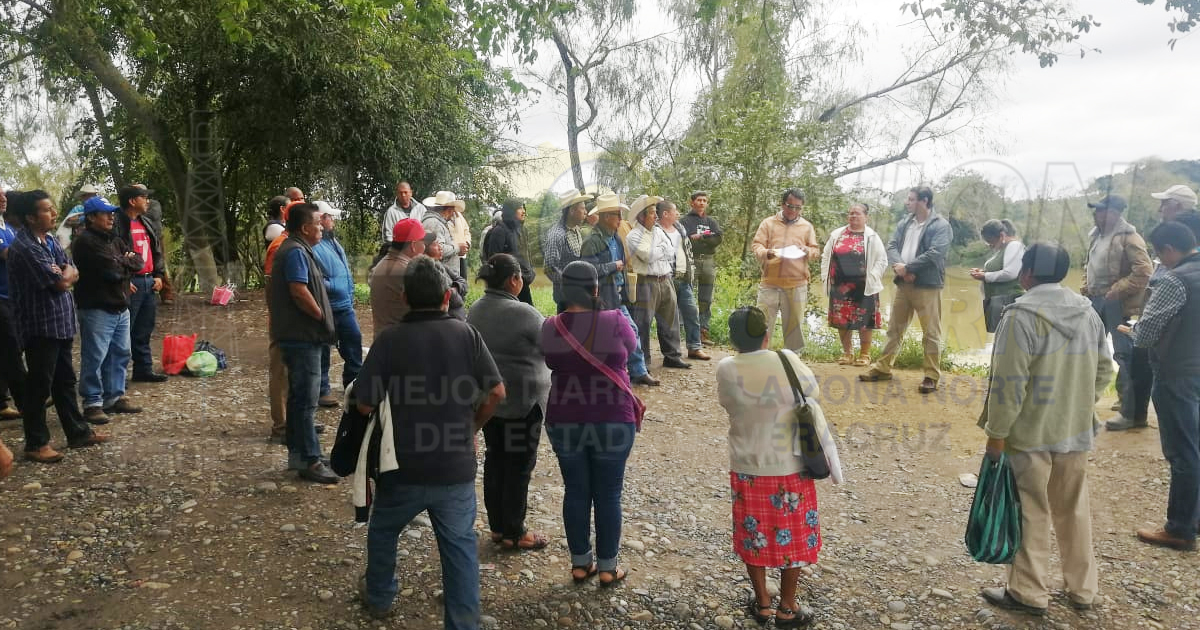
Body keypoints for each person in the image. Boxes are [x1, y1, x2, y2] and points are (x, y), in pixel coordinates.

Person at [354, 256, 505, 626]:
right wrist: (470, 428)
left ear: (404, 297)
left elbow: (364, 403)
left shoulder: (389, 340)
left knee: (384, 530)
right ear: (447, 296)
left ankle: (379, 596)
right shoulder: (466, 334)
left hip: (401, 466)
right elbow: (497, 392)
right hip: (454, 466)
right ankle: (464, 622)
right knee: (459, 547)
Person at [977, 243, 1109, 616]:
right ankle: (1083, 589)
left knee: (1030, 509)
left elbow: (1009, 383)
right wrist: (1080, 403)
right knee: (1074, 509)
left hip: (1029, 433)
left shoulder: (1019, 315)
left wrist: (996, 434)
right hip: (1075, 430)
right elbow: (1104, 370)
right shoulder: (1088, 313)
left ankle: (1029, 592)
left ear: (1026, 274)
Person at [717, 306, 828, 628]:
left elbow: (728, 403)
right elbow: (813, 393)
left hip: (748, 466)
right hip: (790, 464)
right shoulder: (786, 359)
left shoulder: (726, 367)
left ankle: (763, 602)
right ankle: (788, 607)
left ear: (733, 339)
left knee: (754, 534)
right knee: (792, 538)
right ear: (766, 334)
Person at [542, 261, 639, 587]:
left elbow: (550, 360)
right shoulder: (616, 320)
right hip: (613, 418)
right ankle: (609, 567)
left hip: (565, 419)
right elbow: (633, 347)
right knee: (609, 494)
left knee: (576, 491)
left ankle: (581, 564)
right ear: (596, 289)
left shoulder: (551, 326)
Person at [7, 190, 109, 463]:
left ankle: (77, 432)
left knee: (65, 382)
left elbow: (70, 267)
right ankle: (35, 443)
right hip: (40, 327)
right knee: (39, 387)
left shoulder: (48, 240)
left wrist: (65, 273)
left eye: (52, 209)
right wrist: (65, 275)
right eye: (46, 210)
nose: (53, 214)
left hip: (60, 323)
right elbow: (62, 282)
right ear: (30, 217)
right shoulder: (25, 248)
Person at [1121, 222, 1200, 551]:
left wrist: (1132, 332)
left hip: (1176, 374)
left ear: (1168, 249)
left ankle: (1180, 528)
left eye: (1157, 252)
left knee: (1183, 451)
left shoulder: (1175, 280)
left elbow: (1149, 331)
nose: (1158, 259)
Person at [466, 253, 552, 551]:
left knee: (496, 461)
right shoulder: (525, 313)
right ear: (513, 280)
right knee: (518, 467)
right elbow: (551, 347)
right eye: (520, 277)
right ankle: (515, 531)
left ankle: (499, 528)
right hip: (522, 405)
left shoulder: (475, 309)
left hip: (489, 404)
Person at [268, 202, 338, 484]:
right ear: (304, 227)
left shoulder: (297, 248)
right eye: (318, 223)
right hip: (302, 337)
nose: (321, 227)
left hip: (300, 335)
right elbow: (298, 290)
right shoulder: (295, 251)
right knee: (307, 402)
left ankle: (303, 456)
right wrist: (321, 315)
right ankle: (310, 460)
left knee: (299, 400)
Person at [860, 186, 953, 394]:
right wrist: (900, 269)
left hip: (927, 285)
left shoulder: (941, 225)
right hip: (903, 284)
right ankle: (883, 368)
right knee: (894, 328)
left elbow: (936, 253)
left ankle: (931, 376)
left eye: (911, 199)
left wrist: (909, 268)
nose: (907, 203)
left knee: (931, 332)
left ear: (925, 201)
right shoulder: (905, 222)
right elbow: (892, 246)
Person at [1080, 194, 1152, 431]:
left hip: (1118, 303)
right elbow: (1088, 266)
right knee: (1087, 349)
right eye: (1096, 211)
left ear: (1115, 213)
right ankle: (1086, 401)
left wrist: (1117, 290)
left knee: (1125, 355)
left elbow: (1144, 271)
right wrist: (1085, 286)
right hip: (1095, 299)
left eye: (1101, 211)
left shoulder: (1130, 237)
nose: (1096, 214)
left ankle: (1130, 411)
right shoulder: (1096, 236)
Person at [71, 196, 145, 424]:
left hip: (120, 305)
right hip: (97, 308)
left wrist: (123, 262)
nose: (111, 216)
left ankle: (114, 397)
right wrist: (125, 263)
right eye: (105, 213)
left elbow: (139, 262)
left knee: (121, 353)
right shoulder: (85, 242)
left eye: (112, 212)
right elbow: (111, 273)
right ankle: (92, 403)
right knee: (95, 356)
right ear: (92, 217)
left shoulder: (114, 240)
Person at [580, 194, 658, 386]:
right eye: (617, 215)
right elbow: (588, 272)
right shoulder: (592, 242)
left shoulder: (616, 237)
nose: (621, 219)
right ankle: (612, 375)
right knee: (609, 338)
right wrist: (612, 266)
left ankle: (637, 371)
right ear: (606, 217)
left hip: (617, 295)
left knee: (631, 330)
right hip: (601, 298)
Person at [751, 189, 821, 353]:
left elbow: (815, 251)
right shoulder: (768, 223)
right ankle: (760, 357)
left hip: (796, 284)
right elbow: (757, 245)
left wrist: (806, 250)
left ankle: (793, 363)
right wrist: (766, 253)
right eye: (790, 206)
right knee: (762, 324)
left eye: (798, 207)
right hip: (770, 282)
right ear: (783, 204)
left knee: (793, 328)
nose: (794, 211)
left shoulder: (807, 227)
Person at [820, 202, 887, 366]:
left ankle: (865, 354)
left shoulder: (872, 237)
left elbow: (882, 260)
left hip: (864, 287)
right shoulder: (837, 234)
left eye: (857, 213)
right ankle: (847, 353)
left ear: (866, 217)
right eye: (850, 213)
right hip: (840, 286)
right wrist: (825, 277)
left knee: (865, 321)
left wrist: (872, 277)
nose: (853, 216)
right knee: (841, 319)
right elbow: (826, 256)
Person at [113, 185, 168, 383]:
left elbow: (156, 251)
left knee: (144, 329)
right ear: (132, 201)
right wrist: (123, 280)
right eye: (143, 197)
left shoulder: (146, 222)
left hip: (148, 281)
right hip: (131, 282)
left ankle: (143, 370)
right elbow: (113, 254)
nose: (147, 201)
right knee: (124, 331)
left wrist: (159, 275)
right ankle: (117, 378)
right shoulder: (116, 223)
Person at [626, 198, 690, 369]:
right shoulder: (633, 235)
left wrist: (659, 250)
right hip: (646, 282)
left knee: (670, 318)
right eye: (652, 212)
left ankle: (672, 356)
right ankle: (642, 362)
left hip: (665, 278)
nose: (656, 216)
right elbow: (647, 256)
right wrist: (660, 250)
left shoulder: (658, 231)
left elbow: (671, 251)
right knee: (643, 322)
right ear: (642, 216)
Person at [312, 201, 362, 409]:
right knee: (323, 348)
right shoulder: (314, 244)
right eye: (330, 217)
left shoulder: (332, 241)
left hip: (343, 304)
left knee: (353, 341)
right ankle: (322, 390)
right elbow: (312, 276)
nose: (333, 220)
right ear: (322, 219)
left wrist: (347, 291)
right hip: (328, 305)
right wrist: (332, 286)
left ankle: (353, 386)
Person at [658, 200, 710, 361]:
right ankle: (671, 353)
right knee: (668, 318)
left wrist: (690, 272)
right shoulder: (655, 230)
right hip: (666, 279)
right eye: (675, 211)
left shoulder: (680, 228)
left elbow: (686, 251)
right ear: (665, 214)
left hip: (684, 277)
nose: (678, 213)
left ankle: (694, 347)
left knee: (691, 311)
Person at [368, 218, 426, 340]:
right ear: (414, 246)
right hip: (402, 345)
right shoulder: (408, 272)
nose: (425, 247)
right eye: (423, 242)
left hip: (384, 342)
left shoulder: (381, 266)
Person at [679, 190, 723, 345]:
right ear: (692, 202)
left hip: (709, 262)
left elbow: (717, 238)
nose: (702, 203)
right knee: (686, 296)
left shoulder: (711, 222)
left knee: (706, 298)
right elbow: (687, 241)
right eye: (699, 200)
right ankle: (682, 330)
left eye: (704, 200)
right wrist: (705, 239)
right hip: (691, 262)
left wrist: (702, 237)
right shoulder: (685, 221)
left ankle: (703, 332)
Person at [969, 219, 1026, 334]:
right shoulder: (1003, 249)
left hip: (1008, 300)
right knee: (1000, 338)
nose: (990, 245)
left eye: (990, 241)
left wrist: (985, 276)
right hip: (998, 300)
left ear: (1002, 235)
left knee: (1008, 338)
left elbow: (1010, 273)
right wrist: (983, 272)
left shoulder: (1014, 246)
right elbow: (1000, 270)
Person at [0, 185, 26, 422]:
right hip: (2, 299)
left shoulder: (7, 228)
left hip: (13, 297)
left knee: (7, 351)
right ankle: (26, 401)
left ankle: (1, 402)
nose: (3, 198)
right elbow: (8, 254)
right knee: (12, 350)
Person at [543, 189, 592, 313]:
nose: (586, 212)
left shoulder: (576, 230)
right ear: (572, 211)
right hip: (566, 299)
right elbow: (549, 268)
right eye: (582, 208)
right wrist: (571, 285)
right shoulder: (556, 235)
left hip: (580, 295)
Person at [483, 199, 537, 305]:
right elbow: (493, 261)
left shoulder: (522, 230)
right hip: (508, 286)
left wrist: (531, 272)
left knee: (527, 314)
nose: (523, 211)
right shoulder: (499, 231)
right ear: (511, 211)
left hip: (522, 282)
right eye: (520, 208)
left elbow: (526, 255)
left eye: (523, 208)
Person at [423, 230, 468, 321]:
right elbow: (450, 298)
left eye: (440, 244)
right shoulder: (426, 272)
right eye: (435, 244)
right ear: (424, 248)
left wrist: (455, 288)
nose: (440, 247)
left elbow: (462, 281)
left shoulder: (442, 266)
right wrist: (455, 292)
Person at [421, 191, 465, 267]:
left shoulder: (436, 222)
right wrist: (458, 248)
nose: (453, 215)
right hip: (440, 273)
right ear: (449, 211)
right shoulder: (434, 223)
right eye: (453, 212)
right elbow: (438, 249)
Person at [379, 181, 426, 248]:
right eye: (400, 193)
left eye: (405, 192)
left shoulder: (421, 209)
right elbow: (387, 236)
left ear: (411, 193)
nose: (403, 195)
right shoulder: (391, 212)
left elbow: (426, 228)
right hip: (398, 251)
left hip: (419, 249)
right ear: (397, 194)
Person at [448, 202, 472, 279]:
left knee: (463, 281)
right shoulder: (440, 218)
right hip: (449, 256)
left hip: (462, 256)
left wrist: (467, 243)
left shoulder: (459, 216)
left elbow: (466, 230)